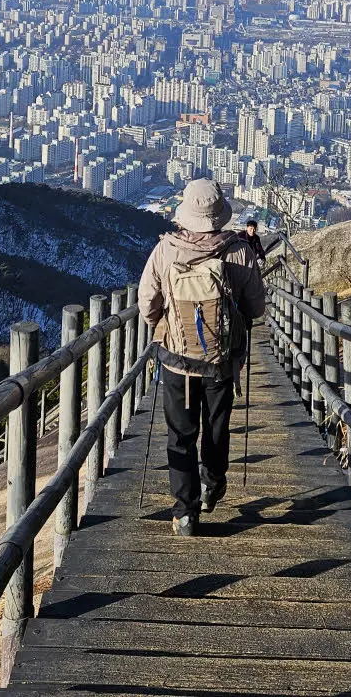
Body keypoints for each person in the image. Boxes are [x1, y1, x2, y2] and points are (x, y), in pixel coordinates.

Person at [138, 178, 266, 537]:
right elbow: (256, 306)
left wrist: (162, 326)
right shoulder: (239, 251)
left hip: (177, 359)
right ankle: (213, 483)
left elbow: (147, 302)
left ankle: (184, 512)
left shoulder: (165, 251)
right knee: (216, 426)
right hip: (221, 359)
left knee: (180, 434)